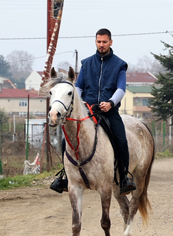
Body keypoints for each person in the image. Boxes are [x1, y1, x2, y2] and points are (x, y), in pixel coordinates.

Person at [51, 29, 137, 194]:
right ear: (95, 42)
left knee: (122, 141)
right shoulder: (87, 63)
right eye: (99, 42)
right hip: (88, 112)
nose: (101, 45)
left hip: (109, 112)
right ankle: (66, 176)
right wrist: (81, 101)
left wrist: (111, 103)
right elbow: (78, 86)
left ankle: (125, 177)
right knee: (65, 142)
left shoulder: (119, 64)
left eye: (104, 42)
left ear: (111, 42)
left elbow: (121, 88)